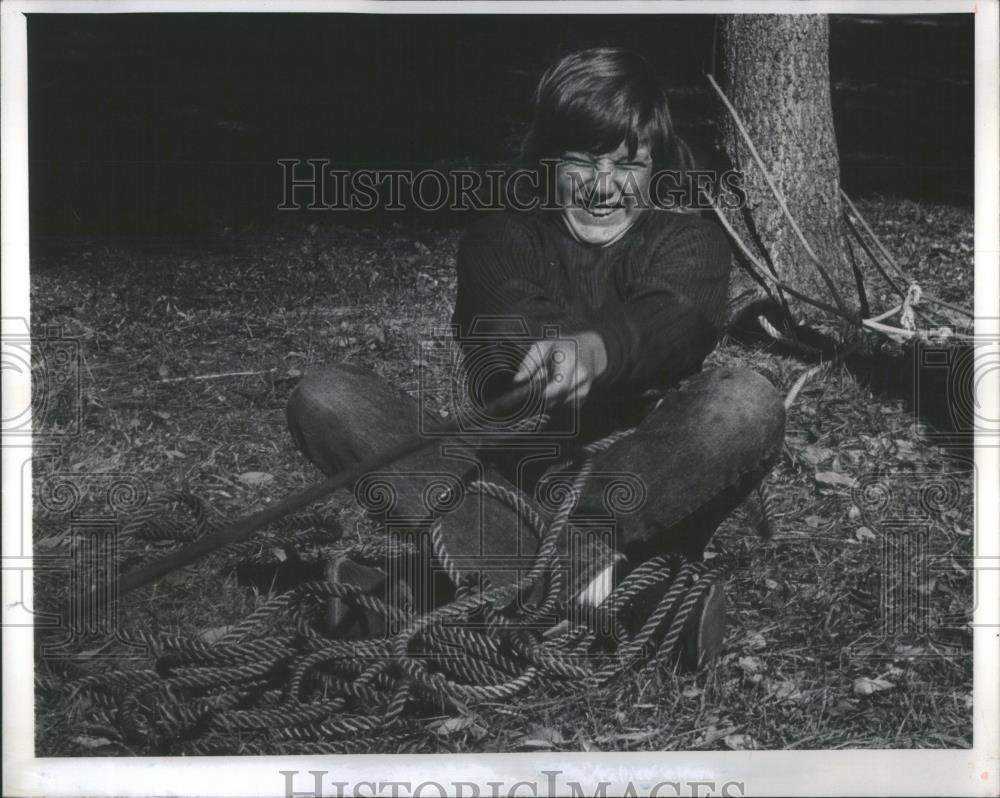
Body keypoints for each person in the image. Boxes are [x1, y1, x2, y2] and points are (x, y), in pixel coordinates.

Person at [286, 47, 786, 664]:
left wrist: (597, 350)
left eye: (627, 165)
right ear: (547, 162)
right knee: (328, 396)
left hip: (642, 485)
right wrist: (544, 350)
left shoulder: (691, 238)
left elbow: (679, 318)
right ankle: (611, 596)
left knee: (745, 401)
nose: (605, 187)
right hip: (502, 484)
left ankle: (449, 588)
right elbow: (499, 334)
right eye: (582, 163)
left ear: (654, 165)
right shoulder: (498, 236)